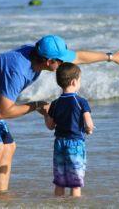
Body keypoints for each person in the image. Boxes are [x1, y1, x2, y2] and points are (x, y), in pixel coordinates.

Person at [0, 34, 119, 195]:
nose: (65, 63)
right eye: (60, 61)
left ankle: (1, 195)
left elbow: (78, 56)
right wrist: (36, 105)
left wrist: (111, 57)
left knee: (9, 146)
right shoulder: (18, 71)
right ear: (48, 61)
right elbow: (3, 112)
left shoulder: (37, 55)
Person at [44, 62, 94, 197]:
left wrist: (45, 114)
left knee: (60, 182)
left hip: (59, 144)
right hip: (75, 144)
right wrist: (89, 130)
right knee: (75, 183)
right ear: (74, 82)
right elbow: (88, 124)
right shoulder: (81, 101)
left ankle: (58, 205)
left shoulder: (55, 103)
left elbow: (50, 126)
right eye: (80, 80)